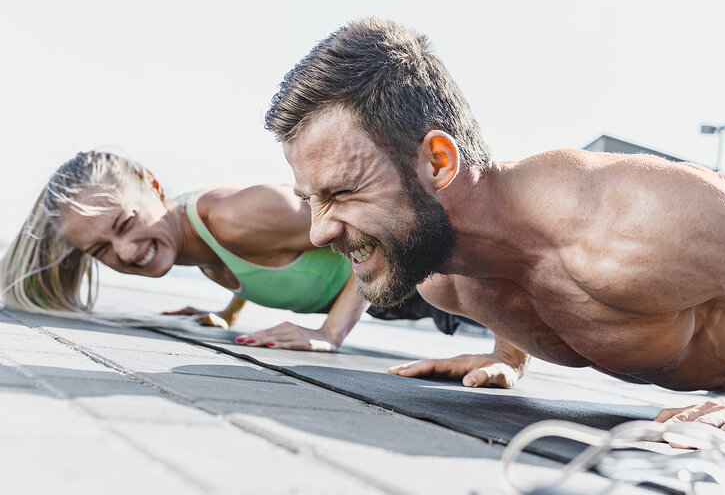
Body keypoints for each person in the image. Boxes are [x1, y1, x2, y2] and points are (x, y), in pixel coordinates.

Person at [262, 17, 725, 447]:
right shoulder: (443, 282)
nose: (319, 231)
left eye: (343, 192)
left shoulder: (627, 225)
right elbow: (520, 269)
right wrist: (505, 352)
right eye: (310, 199)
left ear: (438, 162)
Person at [0, 151, 476, 352]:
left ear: (153, 185)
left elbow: (373, 225)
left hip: (443, 279)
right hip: (395, 302)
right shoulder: (187, 238)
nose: (124, 250)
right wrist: (228, 312)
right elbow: (250, 257)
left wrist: (329, 334)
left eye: (124, 224)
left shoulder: (233, 215)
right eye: (101, 248)